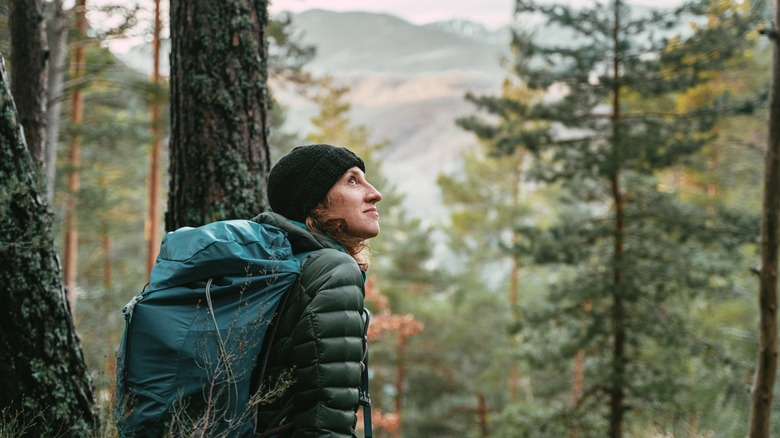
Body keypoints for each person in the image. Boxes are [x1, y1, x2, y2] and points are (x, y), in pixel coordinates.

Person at [250, 143, 382, 437]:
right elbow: (326, 419)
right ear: (314, 202)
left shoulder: (282, 267)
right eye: (352, 180)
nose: (374, 193)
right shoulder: (334, 271)